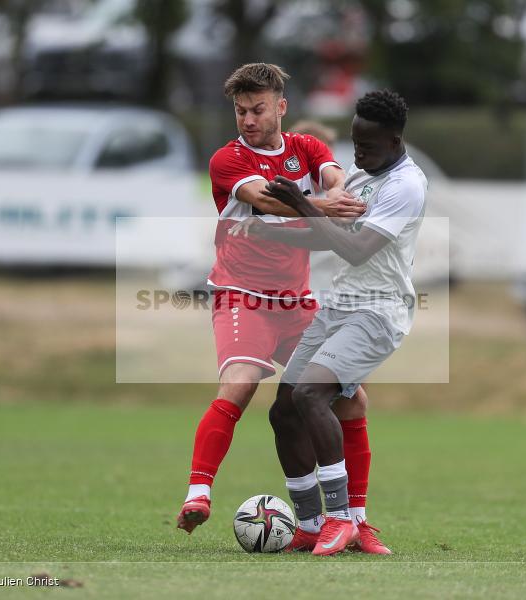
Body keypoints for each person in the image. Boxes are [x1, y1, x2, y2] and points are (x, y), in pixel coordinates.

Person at [177, 64, 390, 554]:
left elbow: (335, 179)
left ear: (280, 107)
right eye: (240, 111)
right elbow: (266, 200)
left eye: (257, 109)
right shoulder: (226, 159)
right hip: (241, 294)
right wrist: (324, 207)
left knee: (351, 401)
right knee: (242, 381)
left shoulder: (307, 149)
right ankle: (198, 494)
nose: (248, 119)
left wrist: (334, 195)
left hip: (296, 302)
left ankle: (356, 521)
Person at [247, 89, 427, 555]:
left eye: (367, 144)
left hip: (379, 310)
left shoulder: (406, 185)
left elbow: (356, 248)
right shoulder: (362, 176)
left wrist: (304, 203)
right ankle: (308, 524)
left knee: (311, 395)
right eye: (354, 142)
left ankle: (342, 520)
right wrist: (267, 228)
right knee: (283, 411)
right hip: (338, 306)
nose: (359, 153)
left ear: (394, 138)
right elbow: (330, 238)